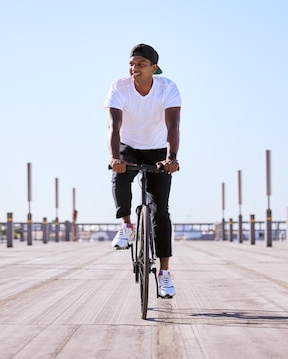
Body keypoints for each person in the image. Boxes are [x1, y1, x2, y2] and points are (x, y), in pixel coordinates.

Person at [103, 43, 181, 298]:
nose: (134, 68)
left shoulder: (167, 88)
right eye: (132, 64)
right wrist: (115, 157)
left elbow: (173, 127)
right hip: (129, 147)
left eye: (141, 64)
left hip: (159, 150)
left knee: (161, 212)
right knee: (120, 175)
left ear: (153, 68)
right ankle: (127, 225)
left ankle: (164, 273)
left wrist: (171, 158)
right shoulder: (120, 86)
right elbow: (114, 126)